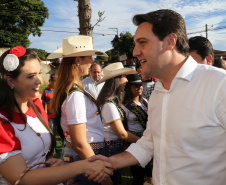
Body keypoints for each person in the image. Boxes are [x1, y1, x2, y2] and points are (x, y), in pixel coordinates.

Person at [89, 9, 226, 185]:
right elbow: (149, 143)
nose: (135, 52)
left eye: (143, 43)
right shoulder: (158, 92)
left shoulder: (218, 85)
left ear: (170, 41)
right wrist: (111, 162)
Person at [0, 46, 113, 185]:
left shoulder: (35, 105)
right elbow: (21, 178)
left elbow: (43, 153)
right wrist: (83, 166)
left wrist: (53, 161)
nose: (40, 81)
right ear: (11, 81)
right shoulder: (2, 122)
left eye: (39, 73)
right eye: (31, 76)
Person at [51, 35, 112, 185]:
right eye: (89, 58)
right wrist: (102, 174)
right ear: (78, 60)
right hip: (87, 155)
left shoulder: (72, 90)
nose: (92, 62)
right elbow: (79, 142)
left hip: (84, 155)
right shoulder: (76, 95)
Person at [96, 62, 138, 185]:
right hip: (111, 149)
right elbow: (122, 134)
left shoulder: (111, 102)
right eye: (124, 76)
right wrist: (142, 141)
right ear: (116, 80)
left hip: (113, 147)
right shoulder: (109, 105)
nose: (126, 80)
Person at [122, 73, 152, 185]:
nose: (139, 88)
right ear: (129, 88)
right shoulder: (125, 106)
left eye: (140, 85)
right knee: (138, 174)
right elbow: (123, 127)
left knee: (149, 171)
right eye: (135, 86)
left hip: (147, 137)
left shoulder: (144, 101)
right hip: (134, 140)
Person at [41, 73, 57, 140]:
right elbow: (43, 104)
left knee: (61, 133)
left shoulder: (59, 90)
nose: (56, 83)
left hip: (59, 116)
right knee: (52, 133)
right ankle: (53, 149)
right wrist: (43, 115)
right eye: (54, 81)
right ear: (50, 81)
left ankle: (62, 149)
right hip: (50, 116)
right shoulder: (45, 91)